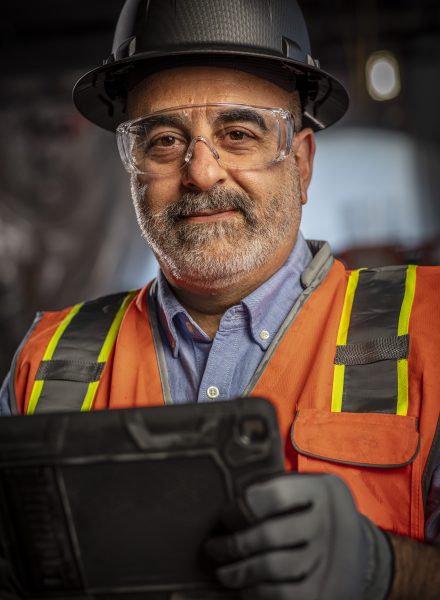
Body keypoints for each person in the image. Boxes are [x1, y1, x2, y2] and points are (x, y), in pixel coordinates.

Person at [1, 0, 440, 598]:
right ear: (132, 171)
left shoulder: (431, 332)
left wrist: (383, 569)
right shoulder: (46, 366)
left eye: (238, 133)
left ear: (303, 163)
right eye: (163, 140)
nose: (202, 172)